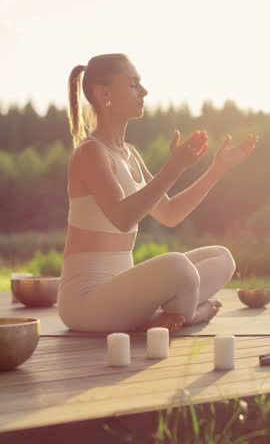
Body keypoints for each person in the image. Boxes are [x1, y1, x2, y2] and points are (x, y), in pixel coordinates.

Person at [57, 53, 257, 334]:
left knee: (221, 257)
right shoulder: (90, 153)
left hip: (123, 294)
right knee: (178, 267)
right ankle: (188, 315)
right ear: (104, 93)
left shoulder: (130, 155)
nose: (144, 92)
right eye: (133, 84)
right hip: (86, 302)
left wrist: (217, 168)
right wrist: (173, 168)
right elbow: (122, 217)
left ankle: (163, 315)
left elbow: (170, 213)